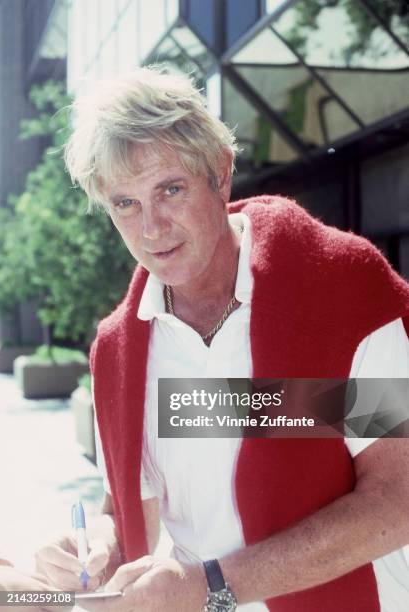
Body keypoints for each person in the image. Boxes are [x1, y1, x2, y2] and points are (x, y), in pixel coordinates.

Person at [36, 67, 409, 611]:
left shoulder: (343, 287)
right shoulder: (119, 352)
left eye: (170, 189)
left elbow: (397, 498)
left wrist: (212, 586)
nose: (152, 228)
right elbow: (129, 508)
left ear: (221, 173)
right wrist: (90, 549)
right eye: (126, 204)